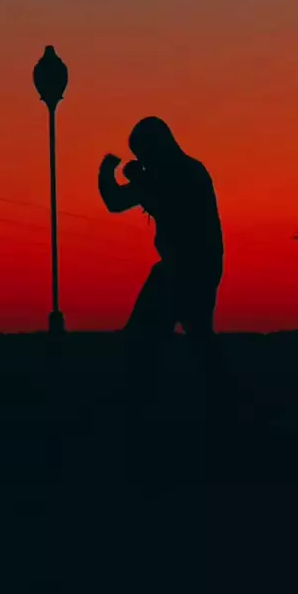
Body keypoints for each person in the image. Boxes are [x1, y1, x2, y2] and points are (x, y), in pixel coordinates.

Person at [98, 117, 233, 428]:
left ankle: (145, 409)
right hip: (201, 266)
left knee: (144, 339)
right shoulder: (191, 170)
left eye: (143, 153)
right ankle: (222, 403)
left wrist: (108, 171)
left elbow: (117, 202)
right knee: (197, 338)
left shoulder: (173, 175)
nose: (142, 160)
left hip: (182, 269)